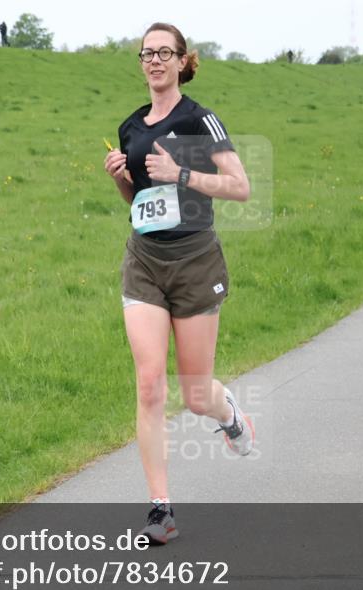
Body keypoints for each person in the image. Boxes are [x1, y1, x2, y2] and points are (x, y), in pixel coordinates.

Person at [103, 22, 253, 545]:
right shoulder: (130, 126)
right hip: (144, 260)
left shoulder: (200, 120)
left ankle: (228, 413)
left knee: (193, 393)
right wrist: (123, 179)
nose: (155, 60)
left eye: (165, 52)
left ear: (182, 60)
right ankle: (160, 509)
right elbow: (139, 203)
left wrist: (182, 175)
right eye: (147, 53)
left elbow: (240, 186)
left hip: (194, 261)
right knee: (148, 384)